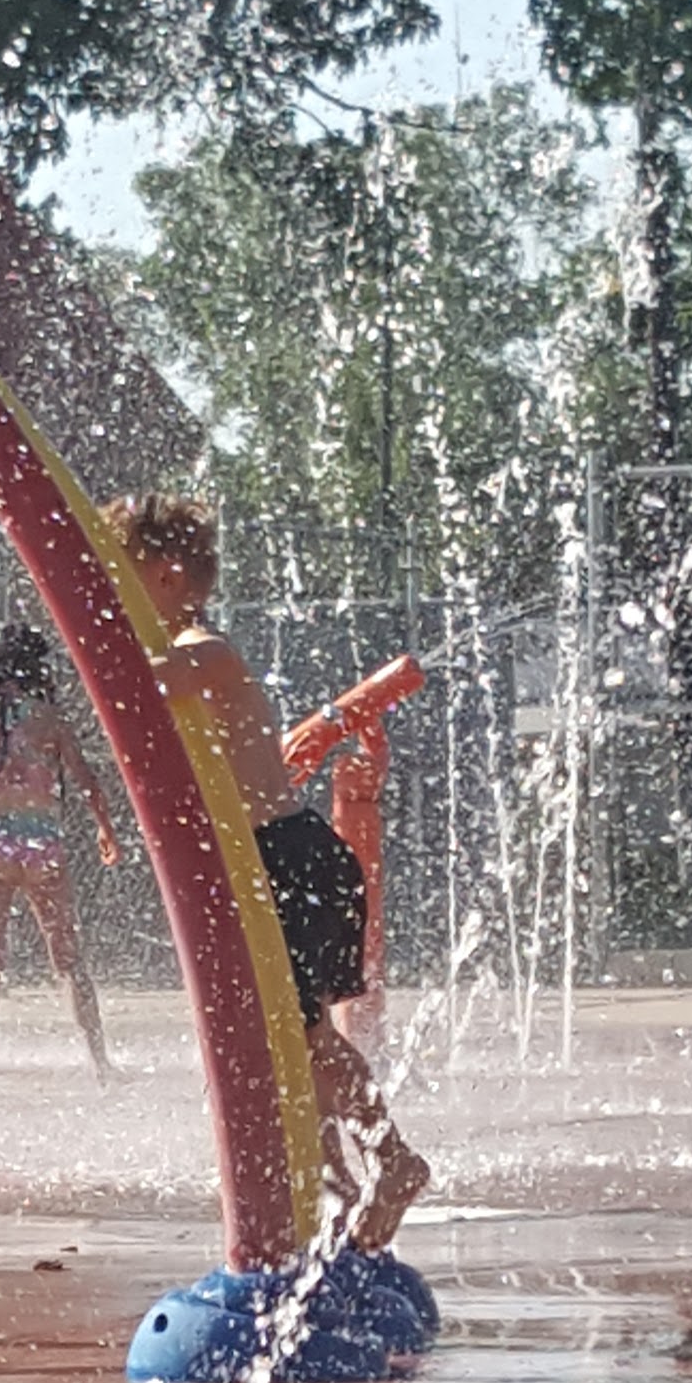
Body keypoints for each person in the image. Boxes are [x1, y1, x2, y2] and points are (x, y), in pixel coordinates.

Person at [99, 490, 429, 1252]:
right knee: (283, 1046)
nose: (115, 597)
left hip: (289, 856)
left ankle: (394, 1160)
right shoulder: (190, 654)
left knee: (300, 1035)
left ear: (169, 577)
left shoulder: (203, 652)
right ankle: (345, 1186)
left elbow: (136, 685)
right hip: (266, 862)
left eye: (123, 576)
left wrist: (89, 629)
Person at [0, 622, 120, 1096]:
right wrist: (105, 827)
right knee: (68, 958)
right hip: (43, 846)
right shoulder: (51, 720)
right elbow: (86, 779)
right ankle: (101, 1063)